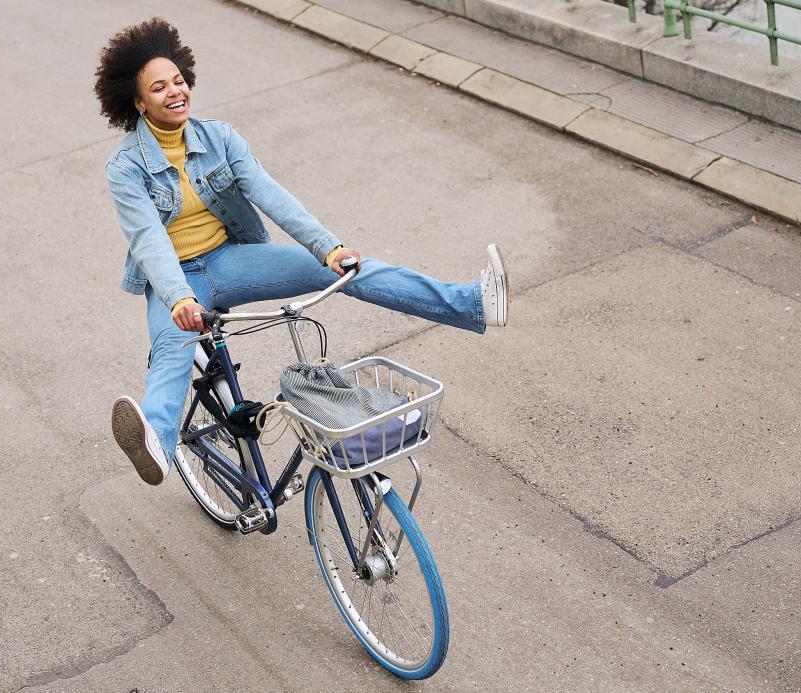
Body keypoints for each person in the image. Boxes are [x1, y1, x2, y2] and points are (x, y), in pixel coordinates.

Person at [96, 17, 508, 486]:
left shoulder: (220, 138)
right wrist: (178, 298)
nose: (175, 91)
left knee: (353, 271)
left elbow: (272, 195)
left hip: (230, 262)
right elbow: (149, 239)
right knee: (172, 347)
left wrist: (327, 248)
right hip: (176, 283)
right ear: (138, 101)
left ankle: (472, 304)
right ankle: (158, 446)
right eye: (159, 87)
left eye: (179, 80)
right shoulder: (126, 168)